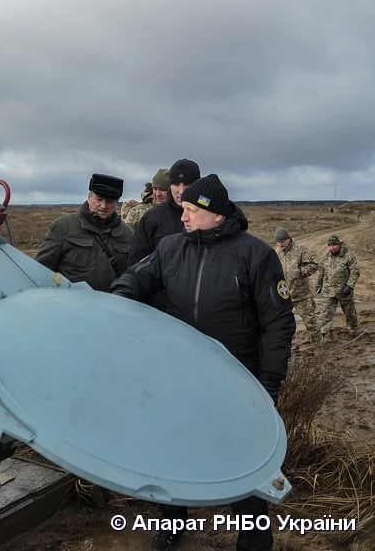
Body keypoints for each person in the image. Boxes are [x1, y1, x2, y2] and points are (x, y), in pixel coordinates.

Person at [111, 174, 295, 551]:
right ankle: (172, 525)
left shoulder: (254, 254)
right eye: (184, 208)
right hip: (179, 374)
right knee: (174, 453)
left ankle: (254, 539)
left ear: (217, 215)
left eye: (193, 210)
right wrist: (118, 296)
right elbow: (136, 278)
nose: (183, 216)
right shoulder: (170, 248)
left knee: (242, 464)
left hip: (237, 379)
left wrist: (268, 384)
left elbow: (278, 323)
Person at [35, 173, 133, 292]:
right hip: (71, 305)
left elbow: (132, 276)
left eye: (109, 201)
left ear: (117, 203)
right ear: (89, 197)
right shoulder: (63, 227)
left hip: (112, 305)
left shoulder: (127, 234)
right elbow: (41, 271)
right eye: (99, 199)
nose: (103, 206)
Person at [126, 159, 201, 266]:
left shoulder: (210, 215)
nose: (181, 190)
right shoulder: (152, 218)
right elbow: (136, 264)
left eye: (186, 184)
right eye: (176, 184)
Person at [274, 228, 323, 350]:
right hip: (284, 295)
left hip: (302, 295)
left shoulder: (300, 249)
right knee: (284, 324)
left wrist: (300, 272)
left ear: (288, 239)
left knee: (310, 322)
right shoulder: (277, 252)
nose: (281, 244)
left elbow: (314, 265)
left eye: (283, 242)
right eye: (278, 242)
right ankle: (285, 348)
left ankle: (318, 348)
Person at [316, 235, 360, 338]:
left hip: (344, 291)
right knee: (325, 314)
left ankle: (353, 330)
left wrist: (349, 286)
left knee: (350, 313)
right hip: (329, 291)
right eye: (330, 245)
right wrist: (319, 283)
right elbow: (321, 271)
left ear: (339, 245)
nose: (332, 247)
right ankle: (321, 334)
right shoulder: (325, 257)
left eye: (334, 245)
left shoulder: (348, 256)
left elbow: (355, 271)